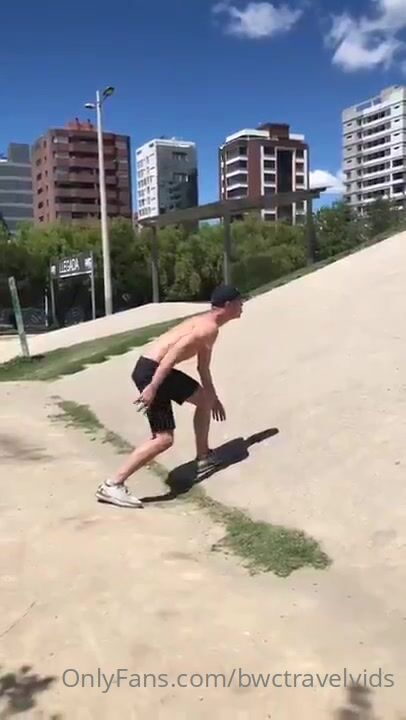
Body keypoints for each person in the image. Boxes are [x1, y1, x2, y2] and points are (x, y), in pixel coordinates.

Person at [95, 284, 244, 508]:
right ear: (228, 305)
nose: (243, 306)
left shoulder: (208, 325)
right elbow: (171, 356)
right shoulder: (208, 328)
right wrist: (153, 387)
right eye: (240, 302)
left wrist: (213, 397)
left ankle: (203, 456)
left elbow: (203, 367)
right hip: (153, 372)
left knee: (204, 400)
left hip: (154, 369)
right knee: (164, 439)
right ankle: (113, 484)